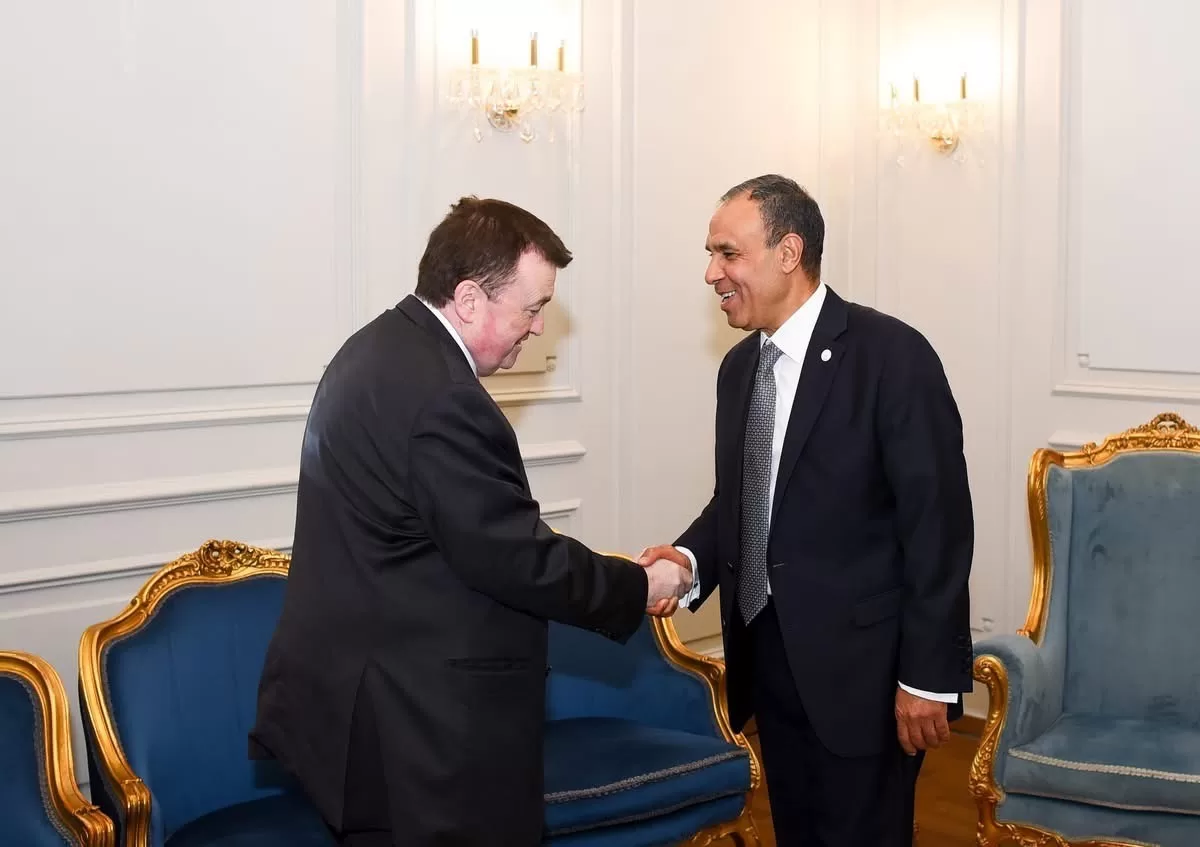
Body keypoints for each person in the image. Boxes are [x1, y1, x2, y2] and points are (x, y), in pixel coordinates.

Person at [249, 196, 692, 847]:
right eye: (532, 308)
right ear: (468, 298)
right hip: (417, 727)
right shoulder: (444, 397)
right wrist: (638, 584)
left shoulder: (373, 349)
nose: (539, 327)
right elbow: (514, 556)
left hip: (361, 704)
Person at [639, 174, 973, 845]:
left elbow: (937, 524)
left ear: (788, 252)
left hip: (867, 677)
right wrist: (689, 560)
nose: (712, 273)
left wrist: (928, 677)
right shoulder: (739, 368)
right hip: (769, 663)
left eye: (728, 253)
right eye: (710, 254)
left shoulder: (891, 355)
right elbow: (743, 500)